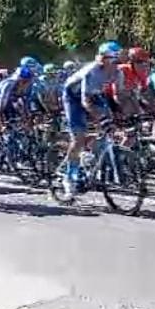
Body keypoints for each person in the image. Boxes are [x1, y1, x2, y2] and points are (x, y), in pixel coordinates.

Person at [60, 41, 124, 200]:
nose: (114, 63)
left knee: (108, 127)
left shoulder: (118, 73)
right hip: (73, 98)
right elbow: (85, 102)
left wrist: (121, 114)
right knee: (79, 138)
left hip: (95, 95)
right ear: (103, 59)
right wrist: (100, 118)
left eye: (116, 60)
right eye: (110, 59)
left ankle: (89, 157)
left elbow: (116, 97)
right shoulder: (92, 71)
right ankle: (69, 177)